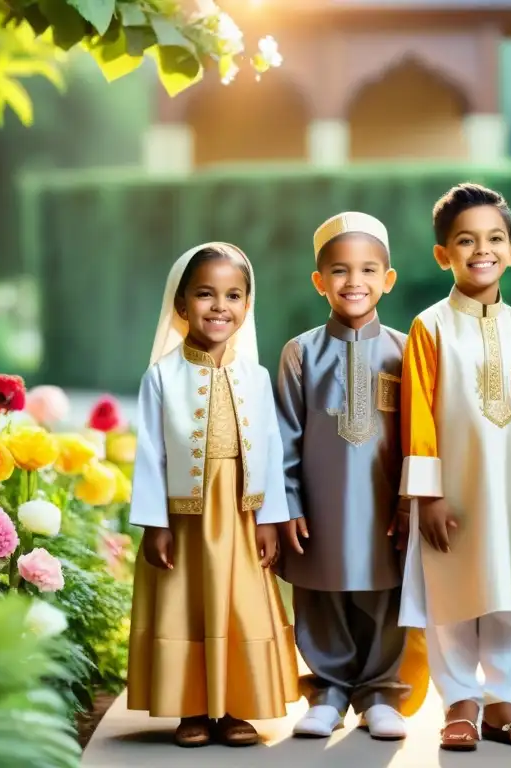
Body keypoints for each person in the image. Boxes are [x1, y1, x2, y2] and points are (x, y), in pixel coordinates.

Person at [399, 183, 511, 752]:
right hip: (453, 494)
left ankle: (506, 702)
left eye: (495, 238)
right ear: (444, 254)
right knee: (450, 597)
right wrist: (429, 496)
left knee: (508, 598)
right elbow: (418, 416)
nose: (482, 250)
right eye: (466, 240)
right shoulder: (430, 327)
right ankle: (460, 703)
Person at [125, 242, 298, 748]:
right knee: (188, 604)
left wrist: (271, 518)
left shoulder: (257, 376)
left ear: (247, 307)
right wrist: (155, 522)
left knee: (239, 604)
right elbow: (150, 453)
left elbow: (269, 447)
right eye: (205, 294)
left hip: (242, 516)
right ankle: (192, 710)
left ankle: (237, 707)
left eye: (233, 295)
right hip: (186, 519)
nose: (219, 306)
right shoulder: (161, 376)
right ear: (181, 307)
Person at [276, 211, 428, 740]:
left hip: (387, 506)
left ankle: (381, 692)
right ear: (319, 282)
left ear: (388, 279)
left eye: (368, 270)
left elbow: (420, 437)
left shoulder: (409, 350)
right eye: (339, 271)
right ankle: (327, 690)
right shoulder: (300, 352)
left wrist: (412, 501)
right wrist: (289, 503)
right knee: (320, 594)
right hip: (319, 505)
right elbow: (285, 436)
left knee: (386, 596)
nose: (354, 282)